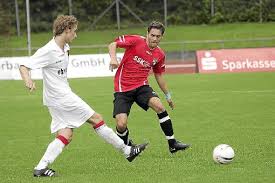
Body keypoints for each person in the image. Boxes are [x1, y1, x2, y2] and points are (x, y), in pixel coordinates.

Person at [19, 15, 148, 177]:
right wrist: (28, 80)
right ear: (66, 30)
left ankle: (41, 167)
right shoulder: (49, 50)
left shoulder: (65, 48)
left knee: (66, 134)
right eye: (74, 31)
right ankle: (127, 150)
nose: (76, 35)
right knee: (96, 119)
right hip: (61, 97)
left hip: (56, 98)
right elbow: (24, 66)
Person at [108, 21, 190, 154]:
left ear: (161, 37)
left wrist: (168, 95)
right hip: (123, 88)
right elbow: (113, 44)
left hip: (141, 86)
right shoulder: (135, 41)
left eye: (158, 36)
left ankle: (172, 143)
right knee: (121, 124)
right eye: (152, 35)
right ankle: (128, 146)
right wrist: (113, 59)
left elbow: (159, 76)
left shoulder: (159, 54)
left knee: (160, 107)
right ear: (147, 33)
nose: (154, 39)